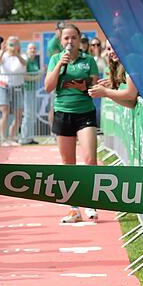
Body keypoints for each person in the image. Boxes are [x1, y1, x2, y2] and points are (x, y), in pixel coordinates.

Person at [43, 23, 99, 223]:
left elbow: (93, 86)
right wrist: (60, 65)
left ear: (79, 39)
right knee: (68, 164)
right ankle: (73, 208)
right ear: (61, 41)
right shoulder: (56, 59)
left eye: (73, 38)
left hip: (85, 113)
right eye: (66, 38)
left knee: (90, 159)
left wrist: (92, 86)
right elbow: (48, 87)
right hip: (63, 113)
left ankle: (91, 202)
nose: (70, 41)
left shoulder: (89, 60)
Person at [0, 36, 26, 146]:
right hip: (4, 86)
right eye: (11, 44)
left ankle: (12, 137)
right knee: (4, 112)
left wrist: (17, 54)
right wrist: (2, 50)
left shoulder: (22, 56)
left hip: (18, 86)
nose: (13, 47)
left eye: (15, 44)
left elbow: (24, 63)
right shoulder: (4, 55)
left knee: (18, 113)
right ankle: (3, 139)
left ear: (19, 46)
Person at [88, 41, 138, 108]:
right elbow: (131, 104)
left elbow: (131, 94)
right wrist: (108, 94)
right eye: (108, 49)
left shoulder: (131, 59)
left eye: (115, 47)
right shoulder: (120, 64)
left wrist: (105, 92)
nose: (112, 51)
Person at [19, 43, 41, 145]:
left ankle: (30, 137)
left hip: (33, 90)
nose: (33, 50)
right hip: (26, 90)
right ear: (27, 50)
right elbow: (24, 76)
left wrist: (37, 77)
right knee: (27, 114)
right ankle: (24, 137)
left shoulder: (36, 61)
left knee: (32, 114)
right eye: (31, 48)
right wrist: (35, 78)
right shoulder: (25, 60)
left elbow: (40, 74)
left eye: (34, 48)